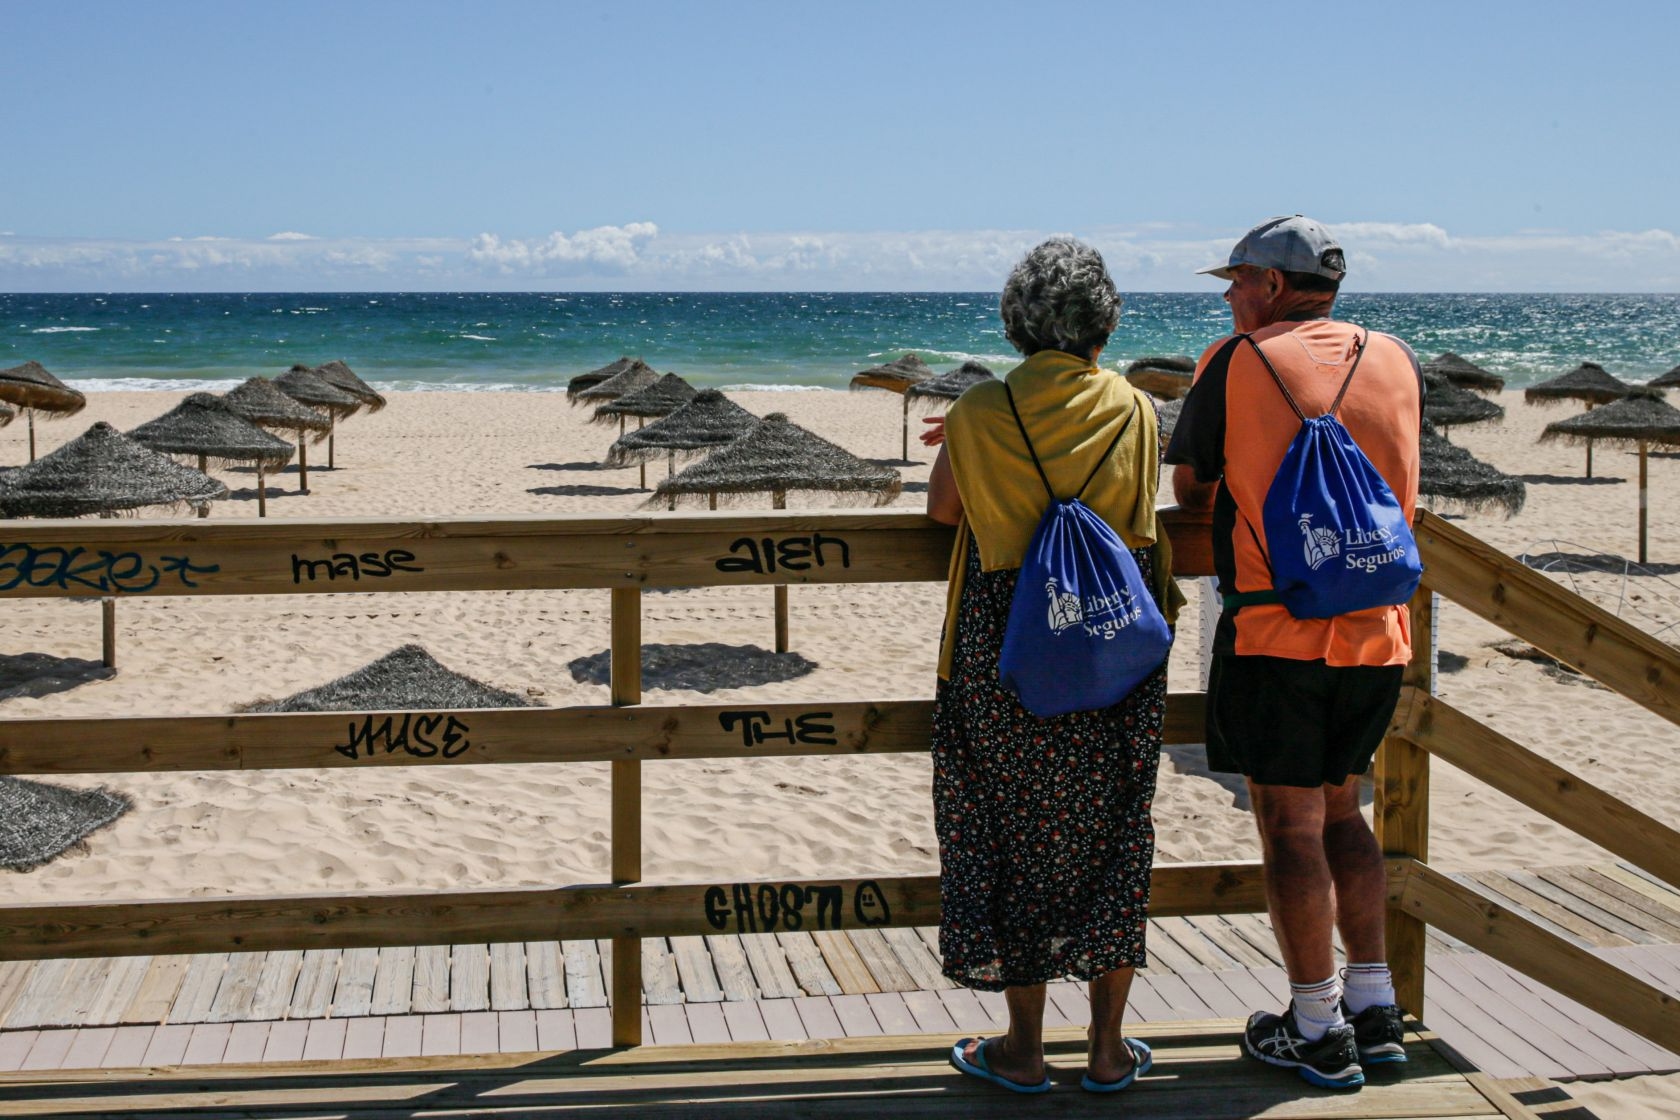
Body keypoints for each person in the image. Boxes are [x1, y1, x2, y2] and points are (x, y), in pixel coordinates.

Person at [1164, 215, 1422, 1089]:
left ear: (1273, 286)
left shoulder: (1235, 363)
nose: (1231, 296)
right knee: (1344, 811)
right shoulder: (1394, 359)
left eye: (1237, 280)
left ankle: (1315, 1025)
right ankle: (1375, 1008)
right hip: (1379, 632)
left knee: (1289, 826)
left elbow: (1193, 486)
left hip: (1278, 632)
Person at [923, 237, 1182, 1094]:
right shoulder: (1139, 409)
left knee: (1002, 834)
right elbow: (1141, 518)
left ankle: (1024, 1049)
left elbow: (942, 511)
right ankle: (1108, 1050)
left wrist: (961, 440)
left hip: (1005, 639)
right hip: (1112, 638)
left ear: (1016, 322)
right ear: (1103, 325)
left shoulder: (978, 409)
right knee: (1114, 834)